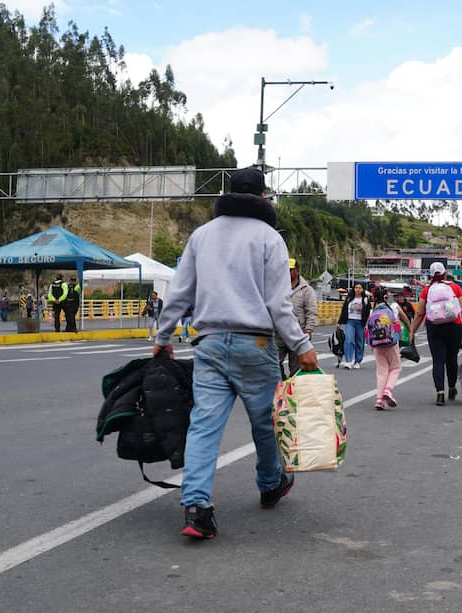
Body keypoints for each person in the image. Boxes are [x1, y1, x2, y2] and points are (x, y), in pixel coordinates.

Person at [152, 166, 318, 540]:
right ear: (262, 197)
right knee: (265, 423)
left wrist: (163, 336)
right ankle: (270, 484)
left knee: (203, 426)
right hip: (254, 344)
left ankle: (196, 508)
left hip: (208, 344)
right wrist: (302, 347)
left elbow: (179, 294)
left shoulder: (201, 236)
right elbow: (279, 304)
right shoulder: (269, 238)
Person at [409, 262, 462, 406]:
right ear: (445, 273)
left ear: (431, 275)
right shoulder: (455, 287)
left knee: (438, 360)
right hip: (454, 326)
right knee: (451, 359)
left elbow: (420, 313)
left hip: (434, 327)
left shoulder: (427, 289)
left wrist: (412, 331)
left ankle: (440, 394)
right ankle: (451, 388)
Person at [276, 258, 318, 378]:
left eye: (291, 270)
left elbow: (311, 311)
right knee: (274, 364)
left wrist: (309, 330)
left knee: (296, 368)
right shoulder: (278, 287)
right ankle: (282, 382)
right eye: (286, 270)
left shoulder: (307, 290)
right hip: (279, 332)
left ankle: (293, 392)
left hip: (297, 333)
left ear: (297, 271)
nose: (287, 272)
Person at [368, 288, 404, 410]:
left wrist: (372, 345)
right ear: (386, 297)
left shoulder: (372, 312)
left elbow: (367, 331)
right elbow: (397, 326)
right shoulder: (390, 310)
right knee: (395, 367)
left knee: (381, 371)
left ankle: (379, 399)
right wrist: (398, 338)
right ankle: (388, 390)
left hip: (377, 345)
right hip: (390, 344)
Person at [337, 282, 370, 369]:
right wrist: (339, 322)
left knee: (360, 342)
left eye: (360, 288)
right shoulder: (349, 299)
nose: (358, 289)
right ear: (354, 289)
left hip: (360, 323)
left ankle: (358, 361)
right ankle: (348, 361)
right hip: (350, 321)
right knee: (349, 340)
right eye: (356, 287)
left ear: (362, 289)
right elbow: (344, 310)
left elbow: (368, 313)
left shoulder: (365, 300)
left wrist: (367, 324)